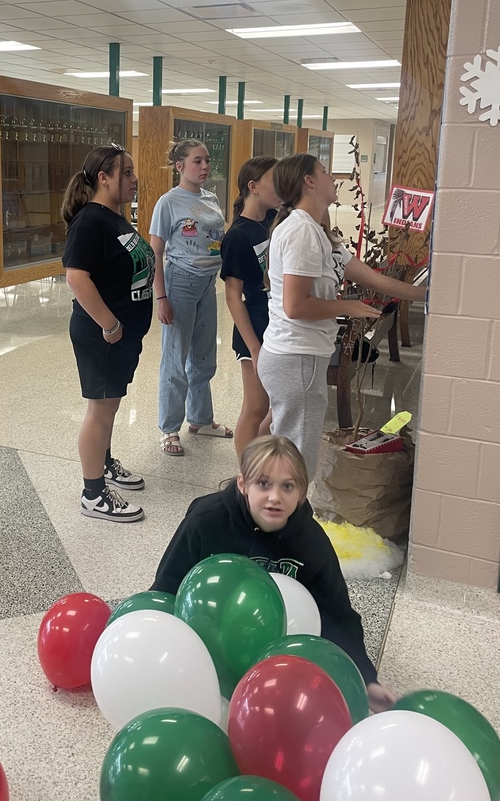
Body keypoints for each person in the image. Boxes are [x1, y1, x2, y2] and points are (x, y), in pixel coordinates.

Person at [152, 434, 396, 713]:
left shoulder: (310, 541)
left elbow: (338, 615)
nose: (275, 497)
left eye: (287, 486)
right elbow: (165, 591)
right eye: (263, 484)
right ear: (243, 484)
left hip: (275, 662)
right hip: (207, 648)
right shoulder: (205, 523)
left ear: (302, 492)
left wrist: (365, 679)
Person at [258, 153, 427, 480]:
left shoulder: (319, 232)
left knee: (284, 447)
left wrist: (427, 295)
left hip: (301, 357)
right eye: (324, 171)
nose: (332, 178)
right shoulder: (301, 232)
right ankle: (288, 521)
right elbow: (296, 306)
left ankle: (267, 512)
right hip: (297, 357)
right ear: (308, 181)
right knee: (297, 458)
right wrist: (346, 307)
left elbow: (371, 277)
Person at [62, 143, 154, 523]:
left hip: (122, 335)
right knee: (100, 409)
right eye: (127, 172)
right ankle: (93, 493)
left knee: (110, 406)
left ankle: (104, 462)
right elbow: (76, 277)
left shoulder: (114, 217)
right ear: (104, 177)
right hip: (102, 335)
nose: (135, 179)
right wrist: (111, 325)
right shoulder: (90, 221)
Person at [150, 139, 231, 456]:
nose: (205, 166)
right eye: (197, 161)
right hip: (179, 283)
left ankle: (200, 419)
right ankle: (169, 429)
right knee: (175, 359)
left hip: (208, 283)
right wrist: (161, 297)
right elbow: (156, 252)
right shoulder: (168, 203)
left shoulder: (211, 198)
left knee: (203, 355)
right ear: (180, 166)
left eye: (207, 160)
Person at [220, 155, 282, 458]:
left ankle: (258, 462)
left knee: (274, 404)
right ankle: (245, 477)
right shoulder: (238, 236)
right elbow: (233, 297)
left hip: (278, 323)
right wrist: (254, 348)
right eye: (275, 180)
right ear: (253, 186)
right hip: (255, 327)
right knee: (256, 407)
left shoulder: (273, 221)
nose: (281, 187)